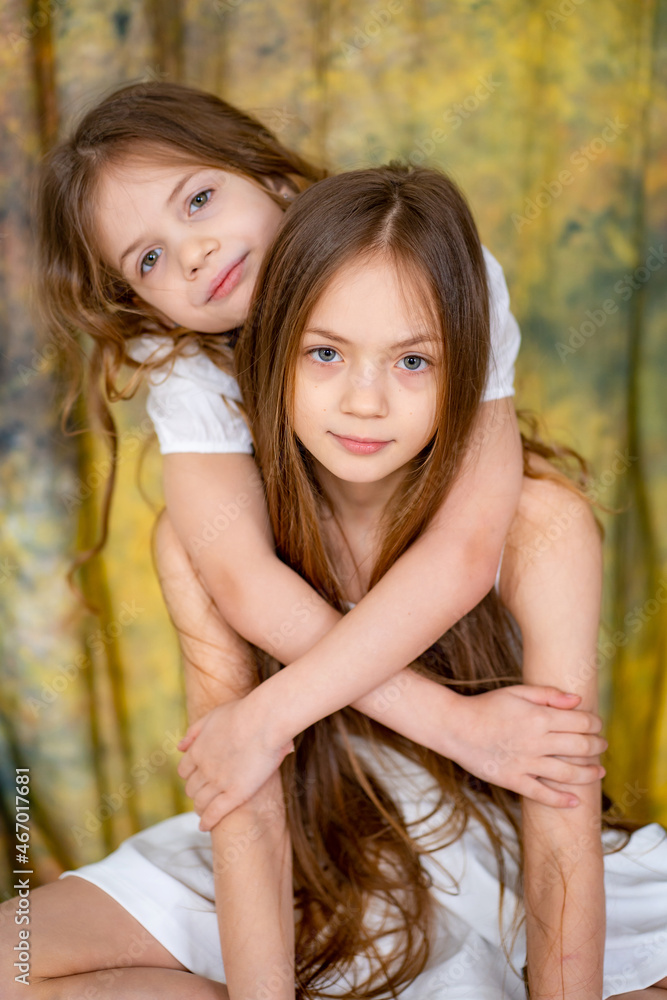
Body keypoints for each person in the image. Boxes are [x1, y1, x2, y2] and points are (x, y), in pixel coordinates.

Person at [4, 153, 665, 998]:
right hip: (317, 847)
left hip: (493, 836)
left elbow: (558, 813)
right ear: (267, 352)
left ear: (466, 364)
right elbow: (245, 798)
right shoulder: (203, 537)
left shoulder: (540, 527)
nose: (365, 402)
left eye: (413, 362)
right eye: (324, 355)